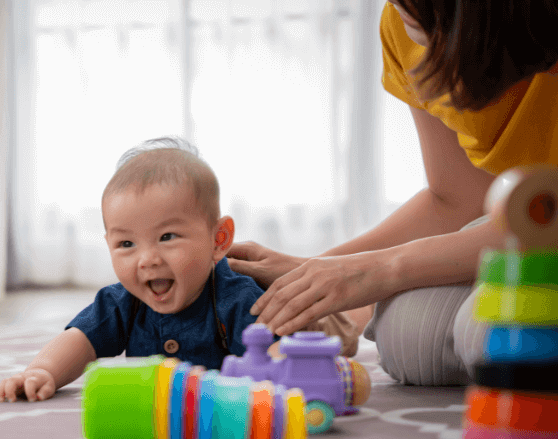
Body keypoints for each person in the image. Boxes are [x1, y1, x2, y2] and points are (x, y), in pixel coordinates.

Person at [228, 0, 558, 386]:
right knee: (409, 338)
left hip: (541, 228)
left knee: (498, 326)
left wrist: (383, 269)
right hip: (519, 232)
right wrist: (313, 271)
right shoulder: (404, 21)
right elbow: (455, 199)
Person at [0, 137, 265, 402]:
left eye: (167, 237)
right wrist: (41, 372)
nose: (147, 259)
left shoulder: (237, 296)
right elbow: (81, 340)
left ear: (218, 239)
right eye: (127, 243)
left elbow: (272, 356)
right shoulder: (123, 302)